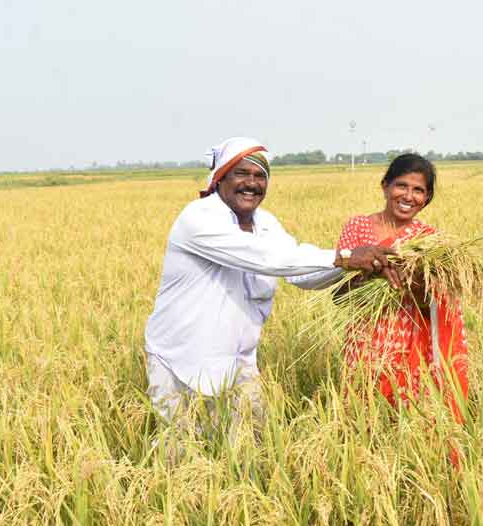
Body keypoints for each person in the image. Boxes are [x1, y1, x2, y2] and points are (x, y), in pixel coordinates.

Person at [144, 137, 398, 444]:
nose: (251, 183)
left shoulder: (265, 224)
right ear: (220, 177)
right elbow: (269, 259)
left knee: (254, 450)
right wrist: (345, 257)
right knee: (181, 454)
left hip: (238, 364)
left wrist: (360, 266)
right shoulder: (198, 218)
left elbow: (300, 274)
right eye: (241, 174)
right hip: (181, 362)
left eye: (260, 176)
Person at [335, 154, 469, 429]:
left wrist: (413, 282)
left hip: (411, 348)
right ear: (385, 186)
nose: (408, 196)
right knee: (361, 423)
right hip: (364, 345)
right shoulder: (357, 228)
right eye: (401, 186)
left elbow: (432, 306)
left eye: (418, 190)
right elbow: (340, 296)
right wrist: (372, 273)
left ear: (427, 197)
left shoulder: (430, 242)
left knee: (409, 425)